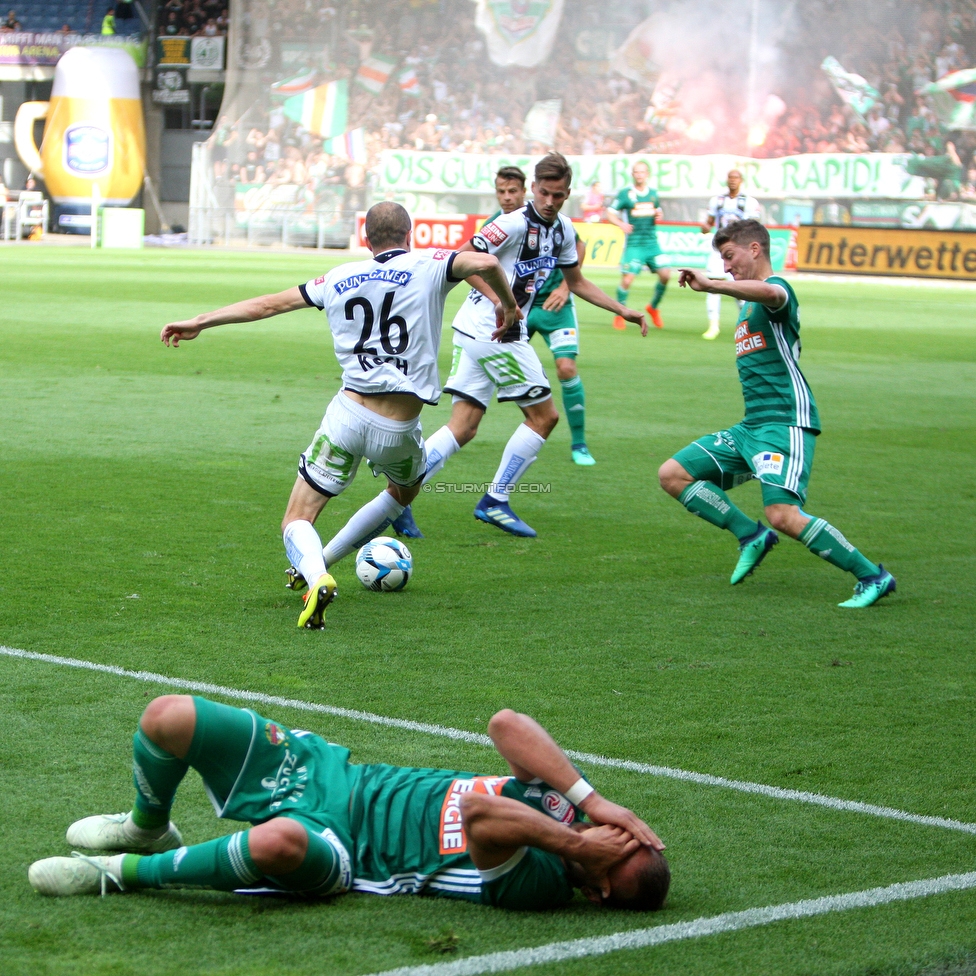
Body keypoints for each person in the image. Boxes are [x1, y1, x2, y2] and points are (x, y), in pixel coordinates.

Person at [159, 202, 520, 629]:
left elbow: (268, 306)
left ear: (367, 240)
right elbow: (488, 261)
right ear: (411, 233)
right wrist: (508, 306)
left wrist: (201, 320)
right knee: (402, 493)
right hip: (400, 427)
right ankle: (323, 563)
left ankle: (315, 573)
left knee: (298, 517)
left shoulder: (338, 276)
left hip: (347, 416)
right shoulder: (431, 263)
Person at [29, 698, 670, 913]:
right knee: (167, 717)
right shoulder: (574, 815)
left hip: (343, 855)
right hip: (334, 779)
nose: (609, 838)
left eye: (616, 857)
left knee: (274, 846)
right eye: (627, 838)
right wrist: (594, 800)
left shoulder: (540, 883)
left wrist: (576, 846)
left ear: (598, 892)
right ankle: (146, 830)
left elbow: (482, 816)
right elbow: (507, 725)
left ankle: (117, 876)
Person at [402, 152, 646, 541]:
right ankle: (495, 500)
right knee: (544, 418)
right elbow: (461, 259)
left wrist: (623, 309)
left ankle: (400, 498)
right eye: (545, 193)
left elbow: (577, 281)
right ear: (534, 189)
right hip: (495, 333)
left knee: (462, 427)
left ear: (568, 194)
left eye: (559, 195)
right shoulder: (511, 224)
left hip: (473, 331)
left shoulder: (564, 229)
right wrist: (501, 301)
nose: (550, 202)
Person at [660, 220, 895, 608]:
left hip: (785, 422)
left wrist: (713, 284)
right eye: (722, 261)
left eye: (730, 257)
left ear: (755, 249)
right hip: (752, 426)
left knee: (782, 514)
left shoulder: (778, 291)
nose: (728, 266)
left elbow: (771, 291)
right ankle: (749, 535)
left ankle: (873, 575)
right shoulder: (748, 306)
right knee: (673, 474)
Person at [604, 161, 670, 330]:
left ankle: (653, 307)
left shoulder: (654, 194)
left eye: (642, 172)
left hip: (651, 243)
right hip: (634, 244)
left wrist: (658, 214)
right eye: (636, 172)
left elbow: (657, 212)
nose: (639, 175)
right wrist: (621, 224)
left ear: (647, 174)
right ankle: (620, 313)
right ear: (633, 174)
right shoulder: (626, 194)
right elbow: (610, 213)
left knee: (666, 275)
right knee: (627, 279)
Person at [699, 169, 761, 340]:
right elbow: (709, 222)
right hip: (719, 249)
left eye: (736, 178)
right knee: (713, 285)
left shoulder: (748, 202)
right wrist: (705, 227)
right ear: (726, 180)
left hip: (739, 250)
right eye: (730, 177)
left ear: (741, 180)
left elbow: (754, 225)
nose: (732, 180)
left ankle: (747, 325)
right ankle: (713, 326)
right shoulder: (717, 201)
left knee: (739, 287)